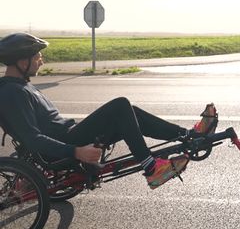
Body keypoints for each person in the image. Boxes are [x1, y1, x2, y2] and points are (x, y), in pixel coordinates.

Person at [0, 32, 216, 189]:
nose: (41, 61)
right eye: (37, 57)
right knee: (120, 104)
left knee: (128, 111)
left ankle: (189, 135)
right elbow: (32, 138)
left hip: (69, 135)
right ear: (22, 60)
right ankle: (151, 169)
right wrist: (76, 152)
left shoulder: (20, 86)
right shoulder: (12, 92)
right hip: (67, 142)